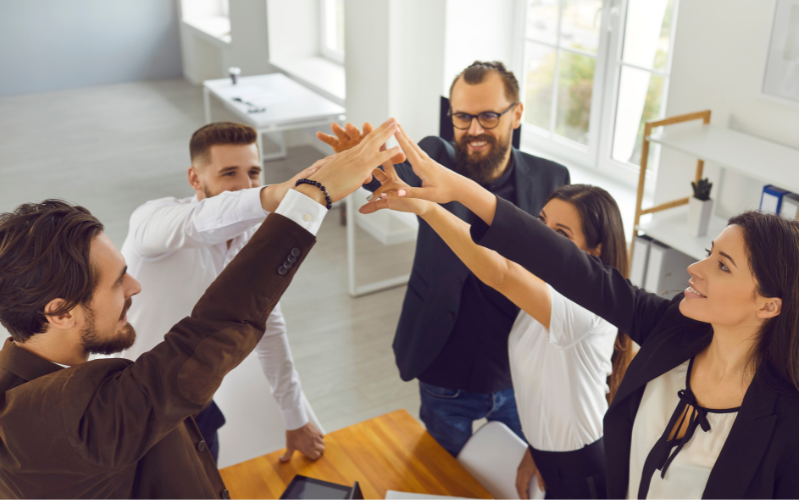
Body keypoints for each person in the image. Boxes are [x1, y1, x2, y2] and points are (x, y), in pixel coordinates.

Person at [372, 125, 799, 498]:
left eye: (722, 266)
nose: (694, 268)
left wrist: (440, 200)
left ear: (769, 304)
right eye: (709, 253)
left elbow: (506, 272)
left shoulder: (785, 424)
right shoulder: (672, 330)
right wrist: (449, 195)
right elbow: (559, 262)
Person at [0, 119, 401, 498]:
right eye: (118, 281)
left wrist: (294, 416)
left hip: (190, 415)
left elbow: (266, 324)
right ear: (59, 313)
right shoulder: (59, 422)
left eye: (253, 173)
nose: (134, 285)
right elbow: (217, 322)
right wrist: (307, 194)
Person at [318, 61, 570, 456]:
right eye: (462, 116)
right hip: (443, 362)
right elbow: (393, 178)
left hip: (519, 372)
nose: (473, 130)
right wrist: (362, 164)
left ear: (516, 113)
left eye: (488, 116)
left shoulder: (553, 178)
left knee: (514, 473)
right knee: (442, 474)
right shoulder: (433, 156)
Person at [363, 155, 631, 498]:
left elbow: (499, 272)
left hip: (582, 471)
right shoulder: (543, 289)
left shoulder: (586, 309)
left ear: (595, 251)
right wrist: (537, 447)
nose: (541, 239)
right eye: (540, 223)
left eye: (561, 234)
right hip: (550, 455)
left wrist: (426, 209)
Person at [116, 121, 322, 463]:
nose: (245, 185)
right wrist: (276, 195)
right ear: (195, 179)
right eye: (229, 173)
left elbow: (271, 331)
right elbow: (200, 221)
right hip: (127, 409)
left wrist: (295, 418)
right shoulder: (154, 220)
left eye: (254, 172)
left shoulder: (252, 245)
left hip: (195, 405)